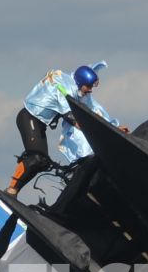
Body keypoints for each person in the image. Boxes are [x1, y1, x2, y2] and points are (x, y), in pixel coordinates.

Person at [7, 61, 123, 193]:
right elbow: (71, 117)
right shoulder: (66, 88)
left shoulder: (73, 84)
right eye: (89, 86)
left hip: (39, 124)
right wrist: (96, 132)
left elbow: (92, 109)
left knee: (42, 162)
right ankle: (11, 190)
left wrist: (113, 127)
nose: (90, 90)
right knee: (36, 158)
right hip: (28, 118)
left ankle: (14, 191)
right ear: (80, 82)